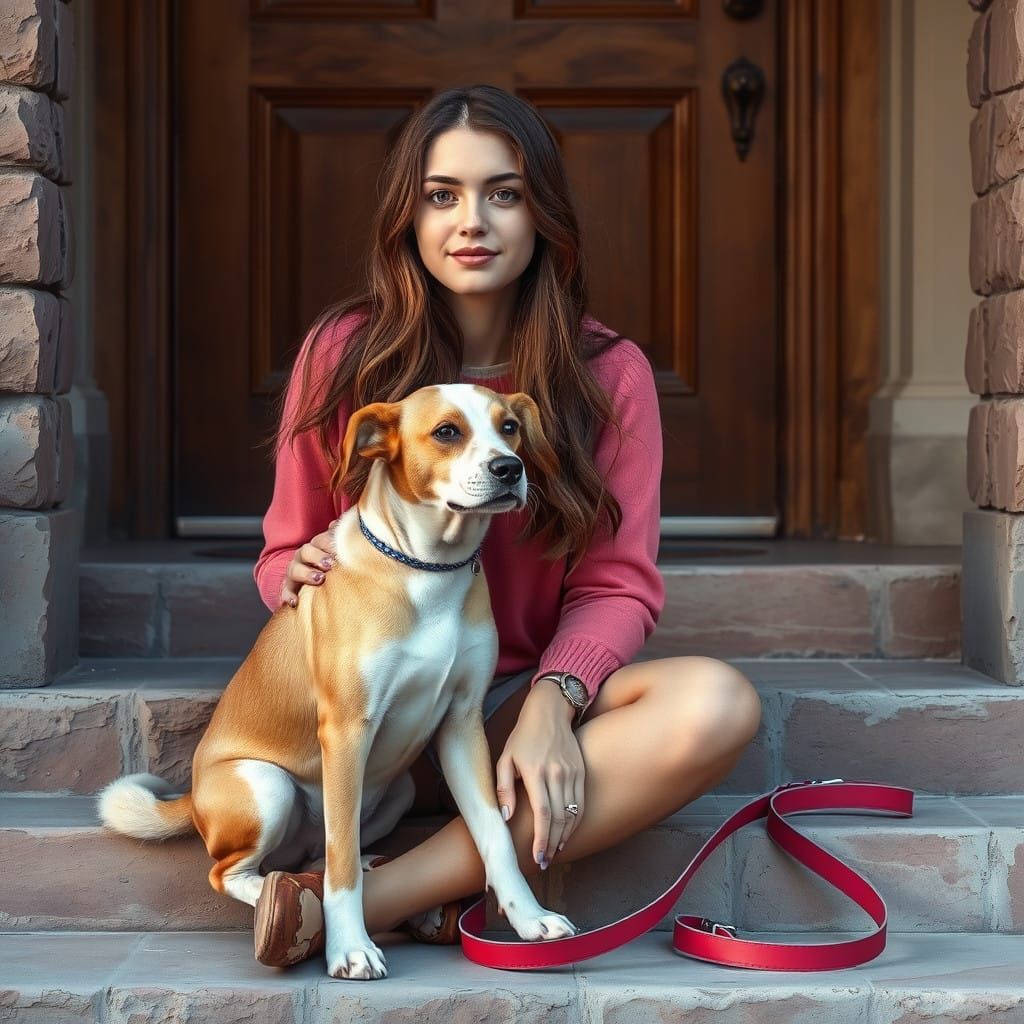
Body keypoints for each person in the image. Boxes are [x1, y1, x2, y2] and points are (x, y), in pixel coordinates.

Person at [250, 83, 762, 964]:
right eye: (441, 194)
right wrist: (291, 573)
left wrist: (554, 702)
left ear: (543, 213)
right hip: (366, 712)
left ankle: (368, 899)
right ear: (407, 215)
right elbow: (285, 547)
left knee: (717, 702)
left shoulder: (609, 375)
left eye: (505, 192)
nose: (471, 221)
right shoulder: (344, 354)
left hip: (496, 704)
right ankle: (427, 886)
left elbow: (617, 585)